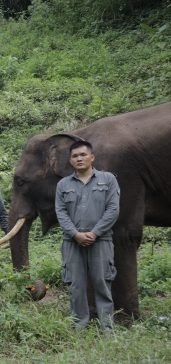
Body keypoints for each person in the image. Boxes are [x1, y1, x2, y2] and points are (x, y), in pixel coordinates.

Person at [55, 140, 119, 333]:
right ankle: (79, 326)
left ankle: (106, 327)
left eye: (83, 155)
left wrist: (94, 233)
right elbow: (61, 212)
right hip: (71, 242)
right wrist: (75, 234)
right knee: (75, 285)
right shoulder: (63, 184)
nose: (79, 158)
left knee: (102, 283)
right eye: (75, 156)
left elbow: (113, 209)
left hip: (101, 241)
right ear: (70, 160)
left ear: (92, 157)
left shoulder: (108, 180)